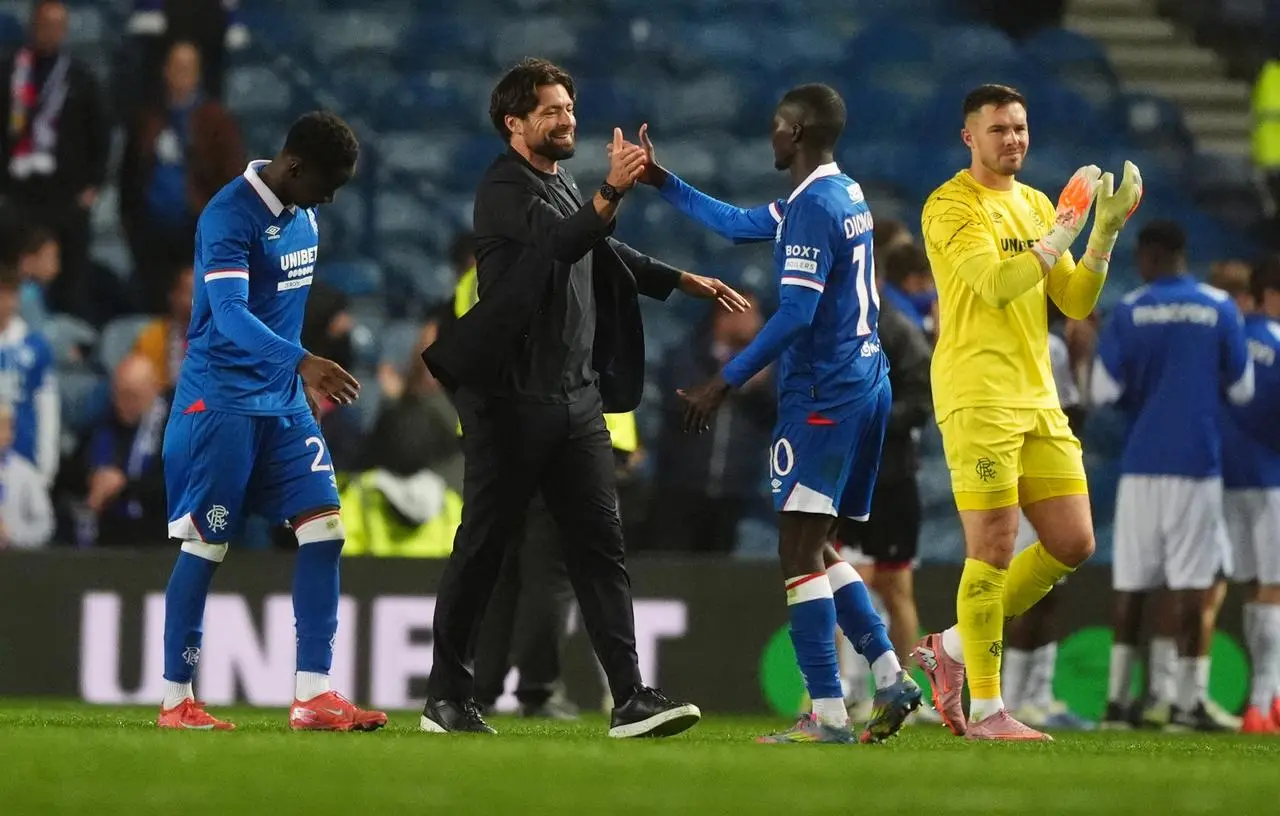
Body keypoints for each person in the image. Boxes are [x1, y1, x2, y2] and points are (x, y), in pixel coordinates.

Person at [420, 58, 745, 738]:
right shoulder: (502, 187)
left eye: (569, 108)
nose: (567, 119)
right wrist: (612, 189)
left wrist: (678, 279)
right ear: (514, 123)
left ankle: (629, 698)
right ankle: (446, 698)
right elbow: (565, 240)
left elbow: (600, 247)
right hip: (509, 400)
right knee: (483, 549)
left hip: (574, 398)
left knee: (601, 548)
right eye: (552, 111)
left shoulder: (560, 180)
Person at [638, 83, 923, 744]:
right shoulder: (839, 192)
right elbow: (739, 224)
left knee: (797, 549)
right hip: (864, 382)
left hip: (825, 395)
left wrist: (723, 381)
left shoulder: (813, 207)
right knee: (818, 542)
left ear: (794, 133)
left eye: (776, 124)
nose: (770, 133)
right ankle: (889, 675)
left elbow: (795, 313)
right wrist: (662, 181)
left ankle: (827, 712)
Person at [912, 83, 1143, 741]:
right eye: (998, 129)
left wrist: (1101, 234)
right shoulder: (949, 206)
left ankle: (951, 646)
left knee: (1073, 542)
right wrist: (1061, 231)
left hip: (1038, 397)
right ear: (970, 137)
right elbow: (994, 284)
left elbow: (1072, 301)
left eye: (1019, 127)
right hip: (977, 394)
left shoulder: (1038, 203)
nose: (1012, 139)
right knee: (992, 548)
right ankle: (988, 710)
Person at [156, 111, 386, 732]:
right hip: (220, 402)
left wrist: (294, 378)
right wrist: (304, 361)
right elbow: (229, 314)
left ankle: (313, 695)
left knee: (326, 529)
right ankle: (177, 699)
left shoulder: (303, 213)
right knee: (208, 543)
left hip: (282, 402)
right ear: (295, 166)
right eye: (327, 185)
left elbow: (280, 310)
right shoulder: (228, 216)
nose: (330, 199)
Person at [1093, 220, 1251, 733]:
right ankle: (1187, 703)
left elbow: (1102, 392)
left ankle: (1117, 704)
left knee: (1132, 585)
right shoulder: (1220, 307)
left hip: (1142, 463)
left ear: (1148, 256)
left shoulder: (1131, 308)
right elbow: (1243, 389)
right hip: (1196, 464)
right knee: (1192, 585)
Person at [1001, 312, 1096, 731]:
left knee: (1040, 593)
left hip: (1014, 475)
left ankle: (1031, 697)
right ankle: (1018, 699)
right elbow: (1071, 417)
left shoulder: (1002, 342)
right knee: (1036, 593)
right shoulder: (1050, 346)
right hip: (1039, 478)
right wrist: (1081, 359)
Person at [0, 0, 109, 322]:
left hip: (66, 195)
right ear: (32, 26)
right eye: (44, 25)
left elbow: (99, 133)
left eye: (57, 26)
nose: (50, 32)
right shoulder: (7, 72)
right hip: (16, 194)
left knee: (70, 281)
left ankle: (69, 339)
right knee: (10, 270)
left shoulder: (79, 78)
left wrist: (93, 186)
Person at [120, 40, 244, 315]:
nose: (181, 75)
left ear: (198, 74)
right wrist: (131, 220)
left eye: (188, 69)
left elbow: (232, 176)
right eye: (176, 67)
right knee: (154, 303)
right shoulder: (147, 117)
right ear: (165, 70)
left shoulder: (215, 119)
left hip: (195, 227)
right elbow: (129, 173)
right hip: (152, 232)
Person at [1218, 257, 1280, 733]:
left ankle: (1268, 698)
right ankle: (1262, 703)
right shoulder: (1277, 341)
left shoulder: (1229, 337)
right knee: (1273, 586)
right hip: (1272, 477)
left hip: (1224, 476)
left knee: (1252, 585)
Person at [0, 262, 58, 485]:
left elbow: (47, 408)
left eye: (8, 294)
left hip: (24, 461)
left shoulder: (35, 347)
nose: (4, 302)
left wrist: (46, 468)